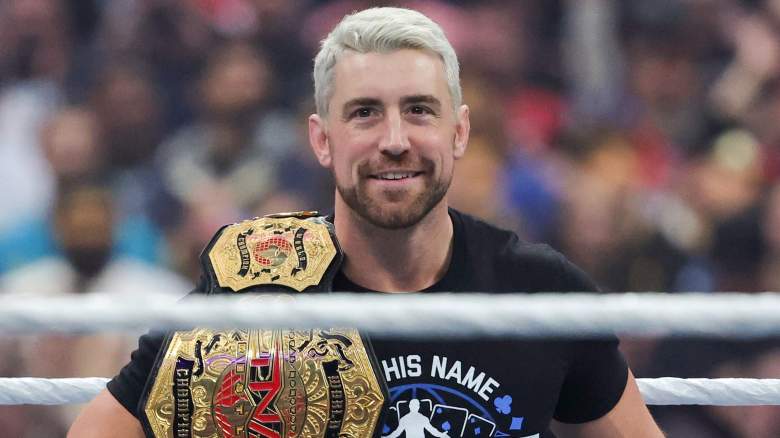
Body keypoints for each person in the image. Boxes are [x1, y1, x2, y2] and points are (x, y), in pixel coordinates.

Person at [69, 7, 663, 437]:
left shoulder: (540, 292)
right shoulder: (258, 285)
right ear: (322, 140)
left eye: (419, 110)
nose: (395, 140)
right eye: (365, 114)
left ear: (459, 132)